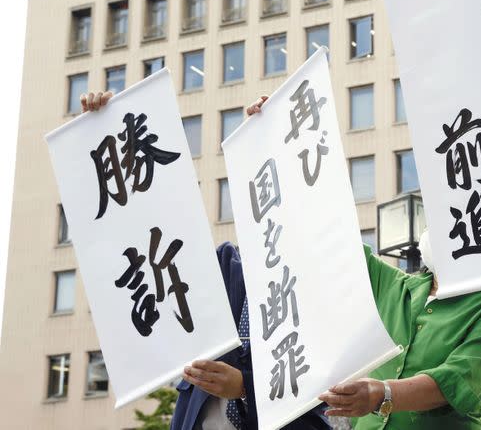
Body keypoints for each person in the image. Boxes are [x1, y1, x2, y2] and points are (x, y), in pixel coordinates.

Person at [245, 96, 481, 430]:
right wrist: (276, 143)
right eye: (440, 216)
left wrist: (384, 392)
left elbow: (454, 380)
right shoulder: (396, 285)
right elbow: (325, 237)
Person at [79, 94, 331, 430]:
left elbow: (320, 408)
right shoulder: (224, 269)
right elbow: (146, 239)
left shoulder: (316, 283)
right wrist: (107, 133)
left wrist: (245, 387)